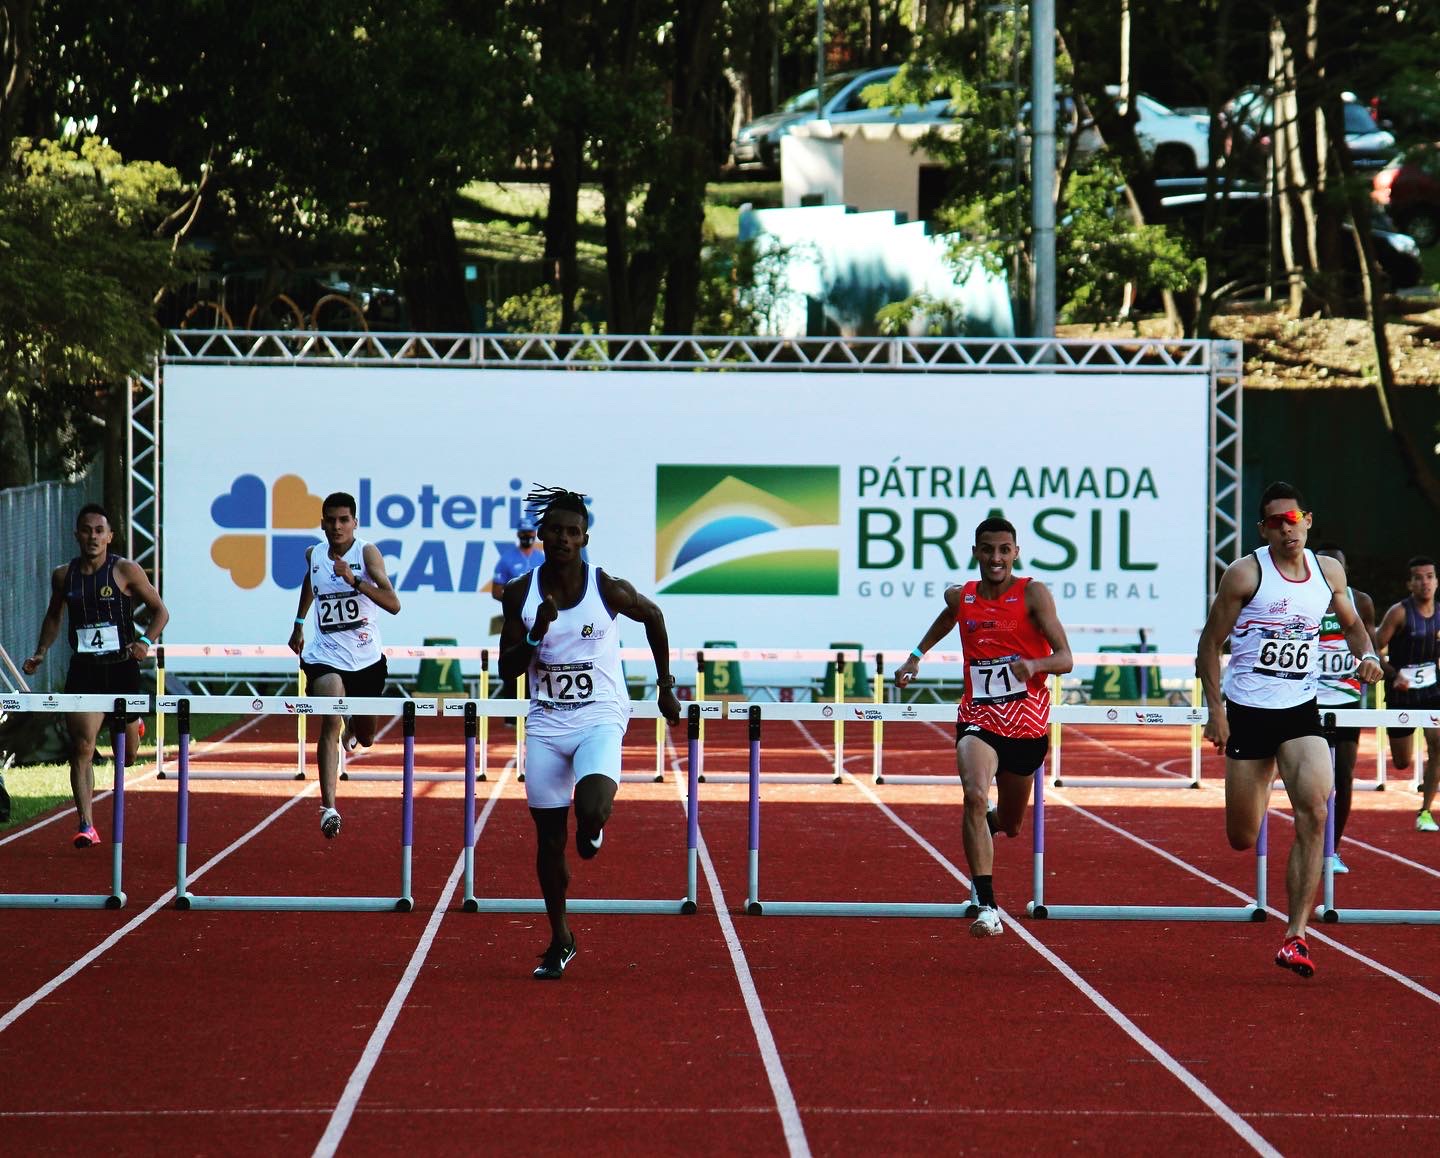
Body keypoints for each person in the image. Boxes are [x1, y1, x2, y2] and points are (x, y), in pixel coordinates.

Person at [1197, 483, 1382, 978]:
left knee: (1316, 814)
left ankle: (1295, 936)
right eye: (1275, 521)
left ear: (1308, 520)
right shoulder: (1245, 574)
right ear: (1264, 530)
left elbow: (1353, 623)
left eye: (1292, 517)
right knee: (1242, 836)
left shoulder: (1328, 572)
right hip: (1249, 713)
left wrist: (1367, 655)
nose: (1285, 527)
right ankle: (1260, 784)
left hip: (1301, 712)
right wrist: (1216, 711)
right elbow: (1208, 644)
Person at [497, 486, 681, 980]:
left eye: (572, 532)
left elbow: (655, 617)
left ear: (584, 538)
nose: (562, 538)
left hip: (600, 714)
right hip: (546, 721)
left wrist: (665, 687)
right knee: (549, 841)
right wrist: (536, 632)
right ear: (541, 534)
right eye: (554, 530)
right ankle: (561, 938)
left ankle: (595, 827)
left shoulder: (607, 589)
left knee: (592, 808)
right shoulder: (521, 592)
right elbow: (506, 671)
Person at [893, 516, 1073, 939]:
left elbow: (1066, 659)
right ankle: (988, 907)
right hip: (979, 717)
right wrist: (915, 656)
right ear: (975, 551)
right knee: (974, 795)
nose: (996, 558)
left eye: (1004, 550)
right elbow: (948, 618)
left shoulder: (1033, 593)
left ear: (1015, 552)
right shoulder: (963, 596)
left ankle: (987, 830)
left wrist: (1036, 665)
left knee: (1010, 822)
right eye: (988, 549)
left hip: (1027, 723)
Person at [21, 503, 169, 847]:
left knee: (127, 756)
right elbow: (54, 615)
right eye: (86, 530)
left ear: (109, 537)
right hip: (84, 670)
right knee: (82, 746)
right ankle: (86, 822)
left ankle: (135, 727)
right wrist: (41, 651)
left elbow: (160, 611)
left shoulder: (126, 571)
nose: (93, 536)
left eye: (99, 531)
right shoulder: (64, 576)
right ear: (77, 535)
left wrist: (145, 641)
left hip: (121, 668)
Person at [287, 491, 401, 839]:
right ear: (322, 522)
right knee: (330, 717)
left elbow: (393, 604)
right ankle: (329, 806)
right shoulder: (314, 554)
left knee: (366, 737)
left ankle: (354, 730)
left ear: (355, 522)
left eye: (343, 520)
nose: (337, 526)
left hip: (366, 659)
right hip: (325, 656)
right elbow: (311, 580)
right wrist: (298, 622)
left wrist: (355, 581)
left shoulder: (367, 553)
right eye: (331, 520)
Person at [1314, 544, 1378, 873]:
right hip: (1311, 703)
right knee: (1315, 782)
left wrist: (1373, 663)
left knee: (1344, 777)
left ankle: (1333, 849)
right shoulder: (1304, 603)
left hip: (1348, 703)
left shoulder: (1360, 602)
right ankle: (1313, 843)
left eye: (1335, 568)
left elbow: (1371, 647)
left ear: (1344, 571)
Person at [1374, 555, 1440, 832]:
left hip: (1432, 692)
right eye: (1418, 577)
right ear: (1409, 584)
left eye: (1429, 576)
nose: (1424, 582)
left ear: (1436, 582)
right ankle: (1416, 764)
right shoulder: (1399, 613)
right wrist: (1393, 674)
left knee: (1438, 747)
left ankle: (1425, 811)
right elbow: (1373, 650)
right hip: (1401, 694)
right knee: (1402, 763)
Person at [490, 518, 544, 603]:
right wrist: (514, 603)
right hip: (515, 611)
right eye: (523, 532)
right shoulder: (506, 559)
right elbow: (496, 592)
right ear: (518, 534)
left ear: (535, 533)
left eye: (530, 532)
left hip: (538, 610)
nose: (527, 535)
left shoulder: (542, 558)